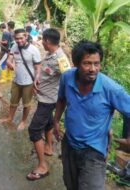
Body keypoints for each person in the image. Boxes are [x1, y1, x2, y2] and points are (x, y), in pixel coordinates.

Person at [53, 40, 130, 190]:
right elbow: (61, 99)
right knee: (71, 184)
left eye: (97, 63)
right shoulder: (67, 77)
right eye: (87, 63)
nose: (93, 69)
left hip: (93, 151)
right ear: (75, 64)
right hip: (69, 143)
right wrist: (56, 121)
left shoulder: (111, 89)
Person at [26, 28, 70, 180]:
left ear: (47, 41)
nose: (41, 43)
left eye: (43, 40)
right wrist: (37, 78)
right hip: (43, 97)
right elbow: (45, 71)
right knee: (48, 123)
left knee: (33, 130)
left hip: (49, 101)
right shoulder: (50, 54)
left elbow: (69, 79)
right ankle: (49, 147)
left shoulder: (61, 59)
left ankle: (42, 166)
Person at [0, 28, 41, 131]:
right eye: (16, 38)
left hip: (28, 83)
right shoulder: (14, 46)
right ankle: (10, 118)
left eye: (21, 38)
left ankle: (23, 121)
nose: (19, 41)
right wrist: (9, 63)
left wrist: (36, 80)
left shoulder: (34, 50)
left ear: (26, 36)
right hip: (16, 81)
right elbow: (9, 59)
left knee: (26, 104)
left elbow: (38, 68)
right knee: (13, 101)